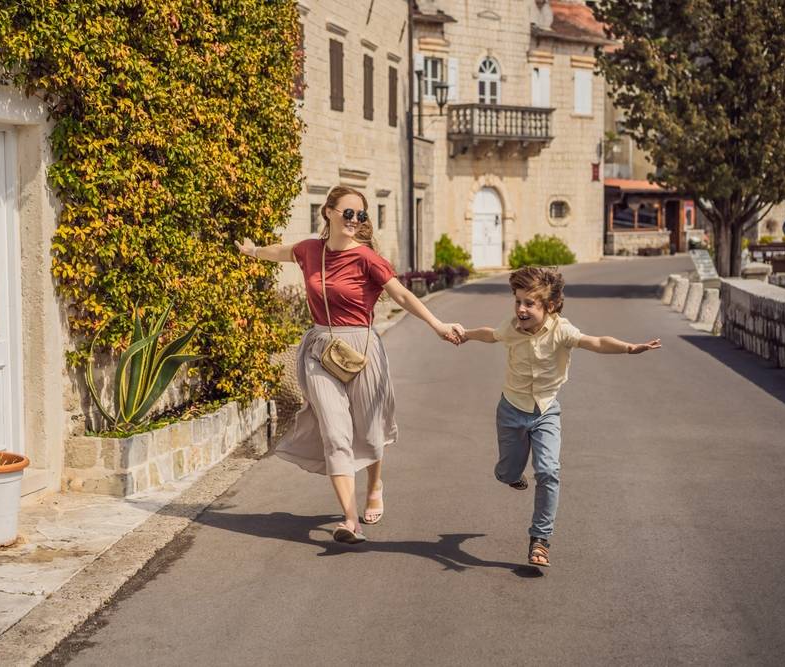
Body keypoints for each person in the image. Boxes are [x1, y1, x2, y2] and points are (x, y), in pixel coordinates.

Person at [236, 186, 464, 544]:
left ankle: (375, 484)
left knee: (369, 431)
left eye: (361, 216)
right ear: (327, 212)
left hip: (362, 350)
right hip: (320, 350)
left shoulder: (367, 259)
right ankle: (350, 519)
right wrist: (252, 251)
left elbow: (401, 294)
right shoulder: (310, 250)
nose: (355, 221)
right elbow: (281, 252)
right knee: (334, 430)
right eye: (349, 213)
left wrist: (437, 325)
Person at [459, 266, 661, 567]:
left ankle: (540, 539)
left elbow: (595, 341)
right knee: (507, 472)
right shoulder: (511, 327)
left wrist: (629, 348)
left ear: (549, 306)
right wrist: (466, 334)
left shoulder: (561, 330)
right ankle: (512, 476)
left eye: (530, 303)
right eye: (518, 301)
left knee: (548, 470)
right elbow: (491, 335)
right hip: (511, 408)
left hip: (545, 410)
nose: (521, 309)